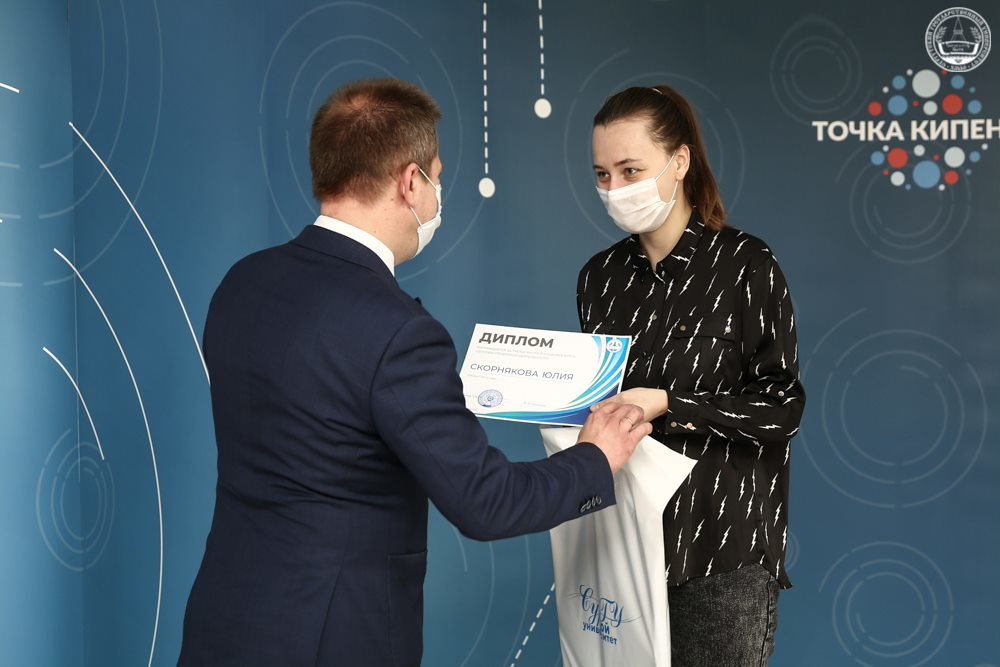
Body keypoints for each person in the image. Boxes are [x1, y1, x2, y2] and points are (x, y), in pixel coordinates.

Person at [178, 79, 650, 667]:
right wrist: (595, 458)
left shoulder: (242, 284)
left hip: (224, 623)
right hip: (335, 641)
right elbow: (486, 503)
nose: (436, 195)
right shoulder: (400, 330)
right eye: (436, 177)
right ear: (410, 182)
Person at [577, 85, 806, 666]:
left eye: (631, 170)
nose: (615, 188)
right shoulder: (599, 279)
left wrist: (669, 403)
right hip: (623, 550)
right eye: (602, 174)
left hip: (721, 555)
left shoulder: (747, 265)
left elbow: (782, 409)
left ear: (679, 161)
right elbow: (597, 403)